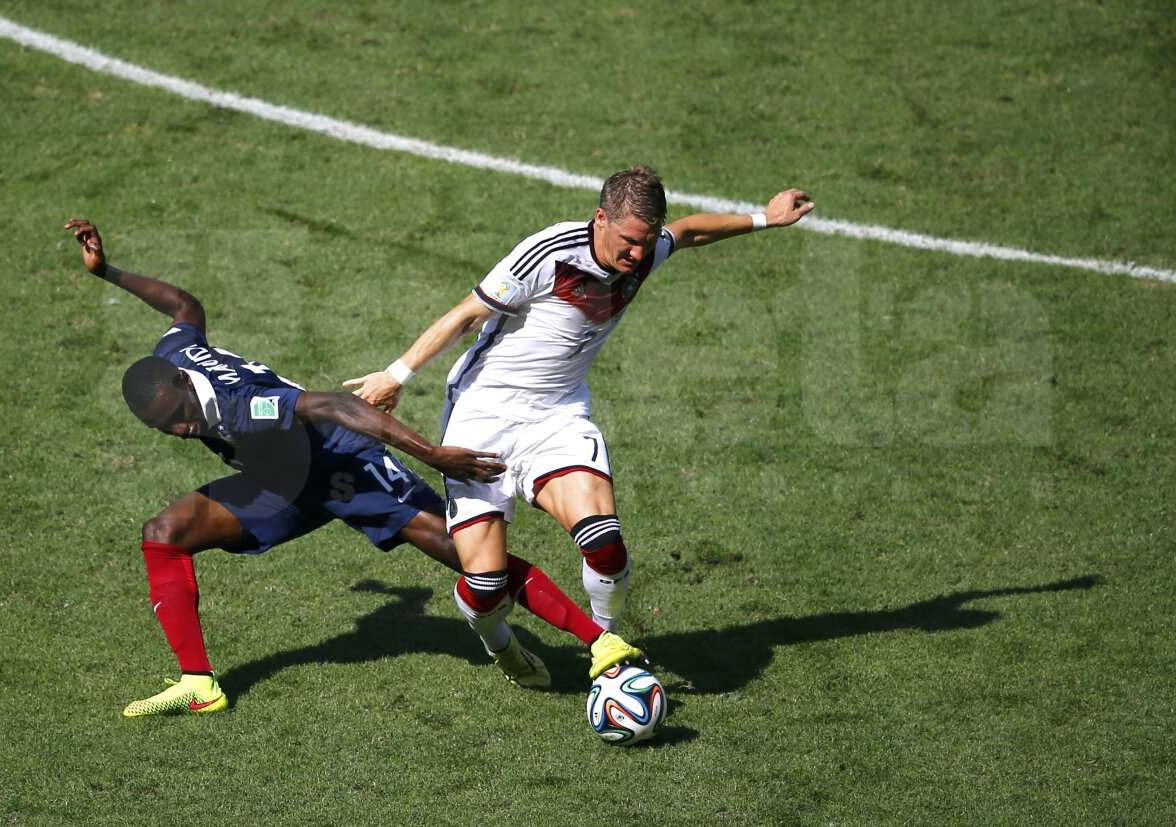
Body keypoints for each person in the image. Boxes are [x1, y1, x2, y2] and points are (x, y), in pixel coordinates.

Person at [64, 219, 620, 718]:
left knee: (470, 559)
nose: (183, 429)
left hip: (341, 465)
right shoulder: (175, 356)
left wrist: (431, 454)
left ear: (186, 386)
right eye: (167, 428)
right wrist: (107, 271)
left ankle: (600, 643)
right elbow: (185, 306)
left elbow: (334, 405)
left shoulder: (239, 406)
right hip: (276, 483)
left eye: (181, 417)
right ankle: (198, 684)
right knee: (164, 534)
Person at [345, 167, 815, 679]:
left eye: (645, 242)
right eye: (629, 240)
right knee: (486, 586)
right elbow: (466, 315)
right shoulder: (548, 254)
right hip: (483, 416)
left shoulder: (645, 248)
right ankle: (501, 648)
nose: (637, 254)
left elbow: (688, 232)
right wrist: (396, 375)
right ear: (601, 218)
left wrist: (764, 219)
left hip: (557, 415)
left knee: (604, 543)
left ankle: (607, 649)